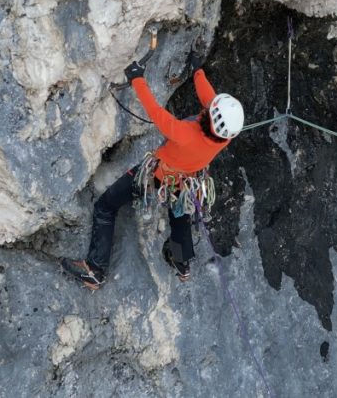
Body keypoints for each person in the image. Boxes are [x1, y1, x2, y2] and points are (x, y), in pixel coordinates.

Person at [61, 58, 244, 290]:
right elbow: (210, 101)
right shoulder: (225, 138)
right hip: (185, 181)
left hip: (156, 176)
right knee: (180, 219)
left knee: (105, 206)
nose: (210, 104)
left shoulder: (185, 133)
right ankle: (181, 261)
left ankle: (96, 270)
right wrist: (198, 72)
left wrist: (137, 78)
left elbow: (156, 113)